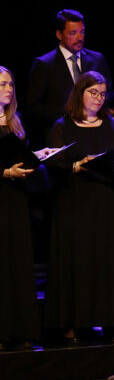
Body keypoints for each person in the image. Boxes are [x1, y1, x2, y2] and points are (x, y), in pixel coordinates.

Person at [45, 71, 114, 345]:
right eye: (93, 92)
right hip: (74, 201)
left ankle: (110, 323)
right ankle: (71, 324)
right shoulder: (62, 125)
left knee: (108, 260)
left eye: (102, 93)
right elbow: (54, 164)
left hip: (107, 200)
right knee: (77, 260)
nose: (98, 98)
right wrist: (78, 164)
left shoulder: (112, 125)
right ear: (79, 93)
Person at [0, 67, 52, 350]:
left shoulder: (14, 121)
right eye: (3, 84)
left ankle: (19, 330)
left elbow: (20, 157)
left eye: (11, 83)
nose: (8, 89)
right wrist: (5, 172)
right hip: (2, 195)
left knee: (17, 262)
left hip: (16, 200)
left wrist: (38, 156)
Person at [26, 9, 112, 142]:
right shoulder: (44, 64)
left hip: (96, 134)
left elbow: (108, 94)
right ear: (59, 34)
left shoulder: (97, 60)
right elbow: (33, 108)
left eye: (82, 32)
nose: (80, 38)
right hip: (62, 137)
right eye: (73, 33)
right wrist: (70, 112)